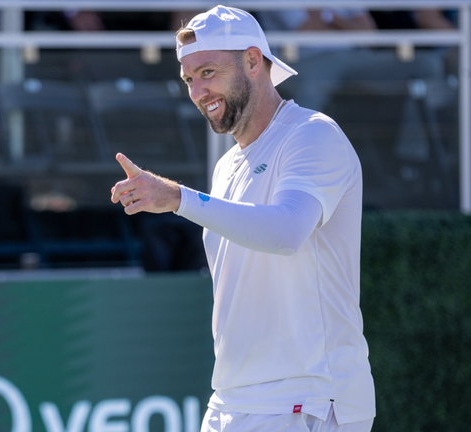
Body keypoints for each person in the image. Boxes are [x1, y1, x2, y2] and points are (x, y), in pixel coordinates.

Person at [110, 5, 375, 432]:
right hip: (232, 401)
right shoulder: (226, 166)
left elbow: (286, 231)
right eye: (189, 80)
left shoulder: (314, 134)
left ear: (253, 61)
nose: (198, 91)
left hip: (308, 397)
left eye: (209, 72)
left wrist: (178, 198)